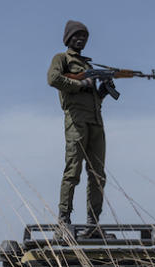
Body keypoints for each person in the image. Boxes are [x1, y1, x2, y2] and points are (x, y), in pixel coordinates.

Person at [47, 20, 114, 237]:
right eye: (77, 36)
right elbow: (53, 79)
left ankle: (92, 224)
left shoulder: (89, 66)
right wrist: (80, 84)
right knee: (72, 170)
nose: (81, 39)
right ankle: (63, 220)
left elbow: (93, 100)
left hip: (96, 122)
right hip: (76, 121)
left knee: (98, 175)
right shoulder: (62, 59)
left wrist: (102, 91)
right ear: (68, 38)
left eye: (84, 36)